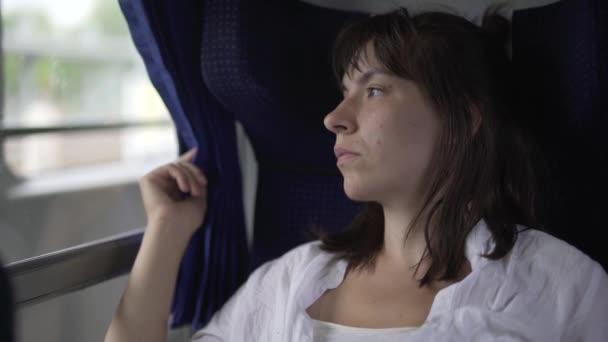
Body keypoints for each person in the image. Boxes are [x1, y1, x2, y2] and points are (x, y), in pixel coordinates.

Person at [106, 8, 608, 342]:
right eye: (344, 92)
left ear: (464, 117)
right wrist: (167, 232)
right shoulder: (293, 279)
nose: (334, 118)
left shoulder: (558, 285)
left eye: (373, 90)